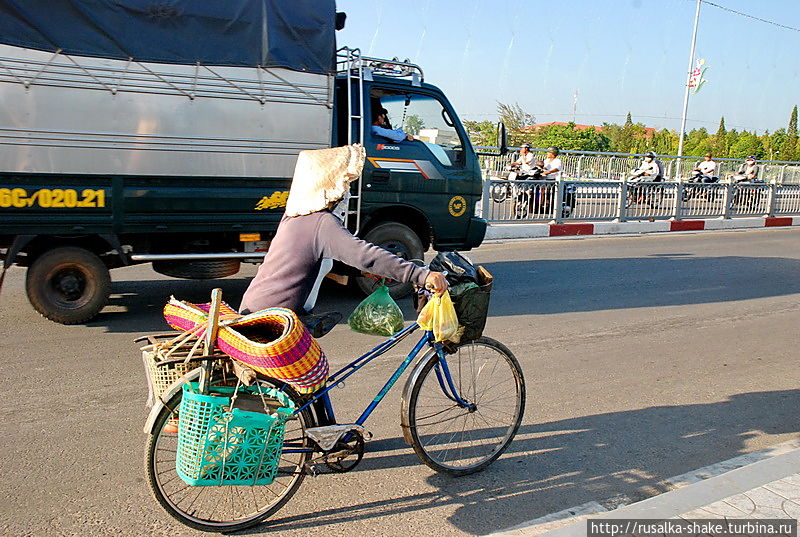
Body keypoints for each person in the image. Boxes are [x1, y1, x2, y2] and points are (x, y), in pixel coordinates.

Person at [239, 144, 446, 316]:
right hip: (271, 319)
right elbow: (363, 254)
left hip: (263, 309)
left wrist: (361, 271)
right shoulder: (321, 222)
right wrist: (421, 275)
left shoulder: (296, 217)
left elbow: (320, 258)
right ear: (328, 185)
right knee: (317, 367)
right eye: (344, 183)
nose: (345, 191)